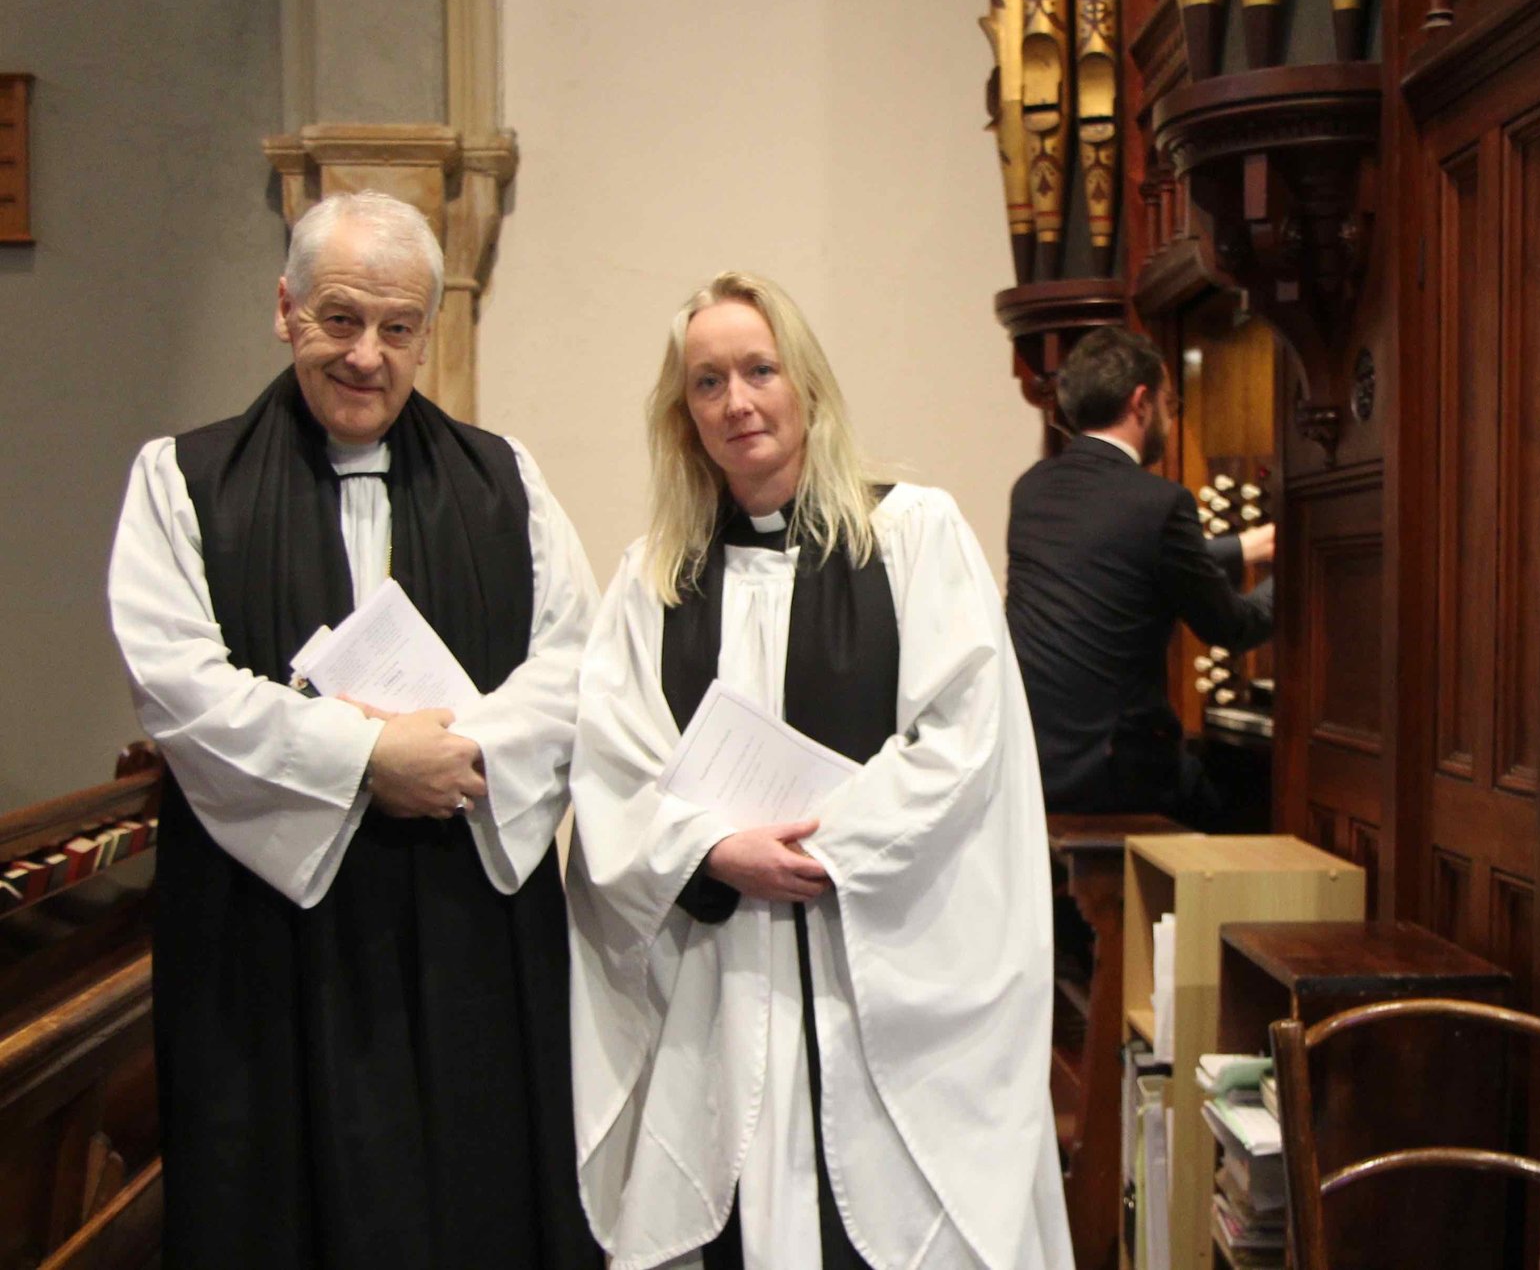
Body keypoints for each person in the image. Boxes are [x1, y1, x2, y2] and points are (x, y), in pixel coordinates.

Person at [107, 191, 601, 1269]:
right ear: (284, 310)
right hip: (266, 929)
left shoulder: (505, 480)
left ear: (429, 329)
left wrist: (456, 750)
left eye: (398, 326)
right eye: (339, 318)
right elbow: (178, 683)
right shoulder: (181, 480)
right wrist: (368, 758)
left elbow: (575, 663)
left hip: (467, 904)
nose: (367, 354)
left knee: (477, 1190)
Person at [564, 272, 1072, 1270]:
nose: (737, 402)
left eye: (759, 370)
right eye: (707, 382)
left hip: (874, 967)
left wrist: (817, 843)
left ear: (807, 385)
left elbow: (965, 738)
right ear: (684, 413)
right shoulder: (655, 576)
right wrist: (714, 847)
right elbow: (610, 764)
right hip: (723, 978)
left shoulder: (911, 534)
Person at [1005, 324, 1275, 820]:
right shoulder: (1160, 502)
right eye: (1172, 406)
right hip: (1114, 776)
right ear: (1142, 402)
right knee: (1252, 802)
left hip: (1032, 763)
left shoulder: (1034, 490)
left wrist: (1241, 547)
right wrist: (1296, 570)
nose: (1170, 421)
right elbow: (1230, 627)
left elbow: (1113, 560)